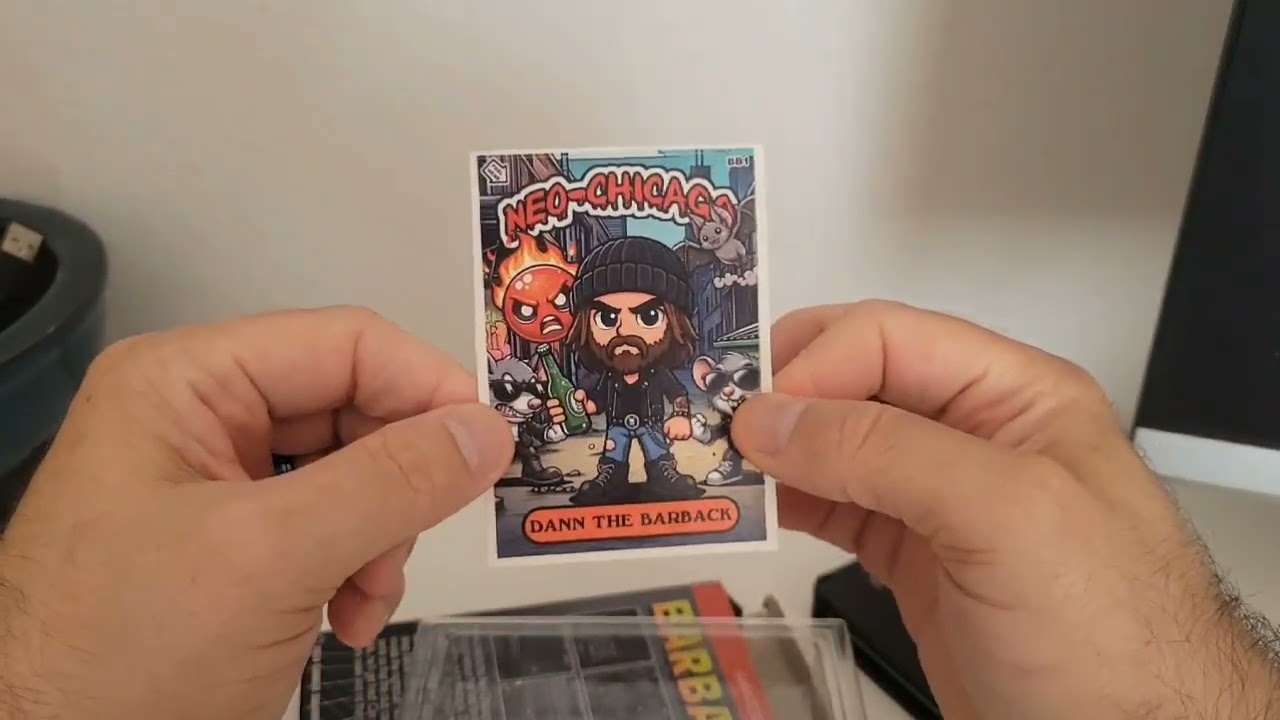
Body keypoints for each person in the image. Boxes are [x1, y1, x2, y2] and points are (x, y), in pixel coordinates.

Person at [0, 301, 1276, 720]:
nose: (619, 331)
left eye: (637, 316)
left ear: (668, 321)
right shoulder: (572, 374)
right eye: (601, 318)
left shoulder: (688, 378)